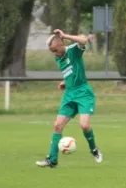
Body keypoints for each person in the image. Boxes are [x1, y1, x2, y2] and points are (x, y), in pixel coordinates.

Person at [36, 29, 102, 168]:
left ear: (61, 45)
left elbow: (84, 41)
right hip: (69, 94)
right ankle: (52, 160)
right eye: (52, 52)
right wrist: (65, 82)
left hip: (83, 93)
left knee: (84, 125)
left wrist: (64, 36)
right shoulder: (58, 58)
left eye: (55, 50)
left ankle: (94, 149)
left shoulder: (73, 50)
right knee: (57, 125)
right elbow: (71, 71)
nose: (54, 54)